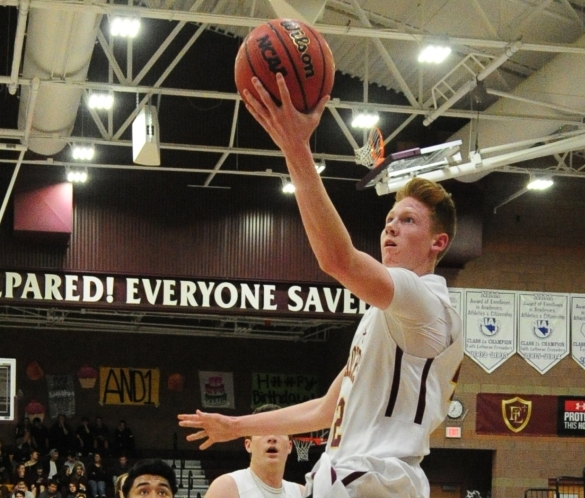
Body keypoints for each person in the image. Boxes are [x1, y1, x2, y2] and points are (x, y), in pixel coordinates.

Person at [179, 74, 464, 498]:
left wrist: (296, 149)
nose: (391, 229)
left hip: (373, 479)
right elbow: (324, 409)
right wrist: (234, 426)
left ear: (438, 243)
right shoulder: (384, 315)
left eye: (408, 221)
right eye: (388, 221)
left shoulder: (424, 301)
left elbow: (338, 259)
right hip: (357, 480)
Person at [204, 404, 303, 498]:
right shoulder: (226, 488)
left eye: (279, 431)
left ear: (289, 446)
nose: (272, 438)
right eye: (263, 431)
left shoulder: (302, 493)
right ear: (248, 445)